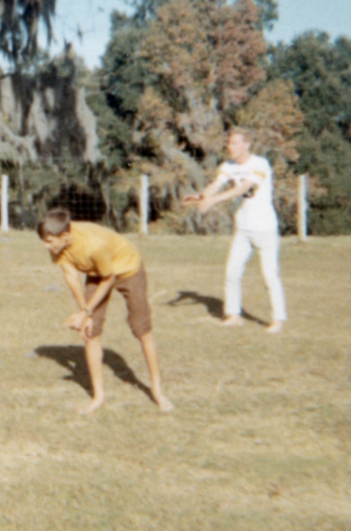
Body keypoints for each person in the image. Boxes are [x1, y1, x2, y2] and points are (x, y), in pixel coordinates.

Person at [37, 208, 172, 415]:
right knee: (91, 332)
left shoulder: (93, 245)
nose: (45, 246)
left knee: (141, 328)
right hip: (98, 272)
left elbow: (109, 279)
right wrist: (85, 312)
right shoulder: (58, 245)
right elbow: (71, 276)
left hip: (127, 269)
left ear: (64, 236)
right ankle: (98, 397)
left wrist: (87, 310)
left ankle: (157, 390)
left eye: (48, 241)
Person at [184, 128, 287, 333]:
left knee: (269, 275)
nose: (230, 147)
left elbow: (241, 189)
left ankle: (278, 318)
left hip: (265, 228)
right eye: (229, 143)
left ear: (246, 145)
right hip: (243, 228)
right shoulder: (228, 166)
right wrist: (202, 197)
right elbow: (216, 185)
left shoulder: (260, 164)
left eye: (234, 143)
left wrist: (211, 202)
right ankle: (233, 315)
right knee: (232, 271)